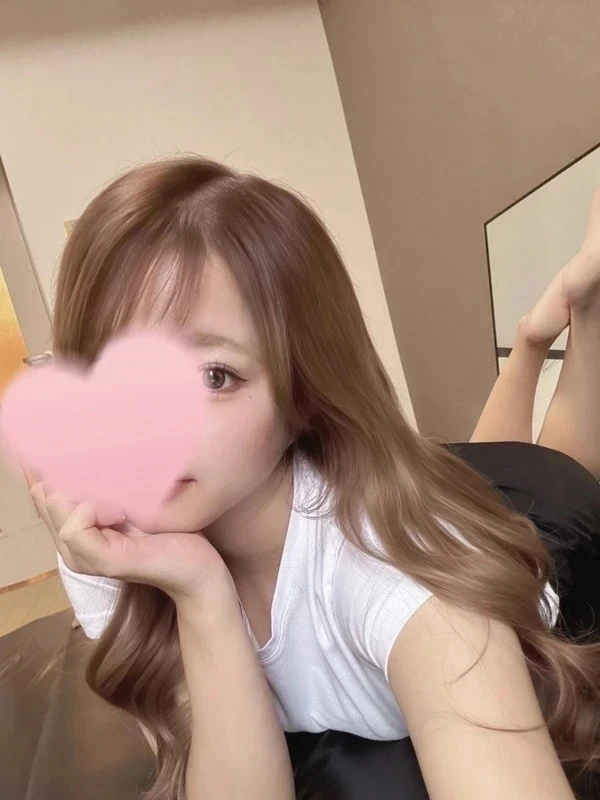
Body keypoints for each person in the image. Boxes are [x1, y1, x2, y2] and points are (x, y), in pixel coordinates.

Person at [30, 157, 600, 800]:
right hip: (428, 479)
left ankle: (585, 311)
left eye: (213, 376)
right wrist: (200, 592)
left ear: (303, 392)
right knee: (470, 464)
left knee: (555, 482)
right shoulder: (105, 539)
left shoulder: (403, 585)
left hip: (535, 514)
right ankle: (530, 341)